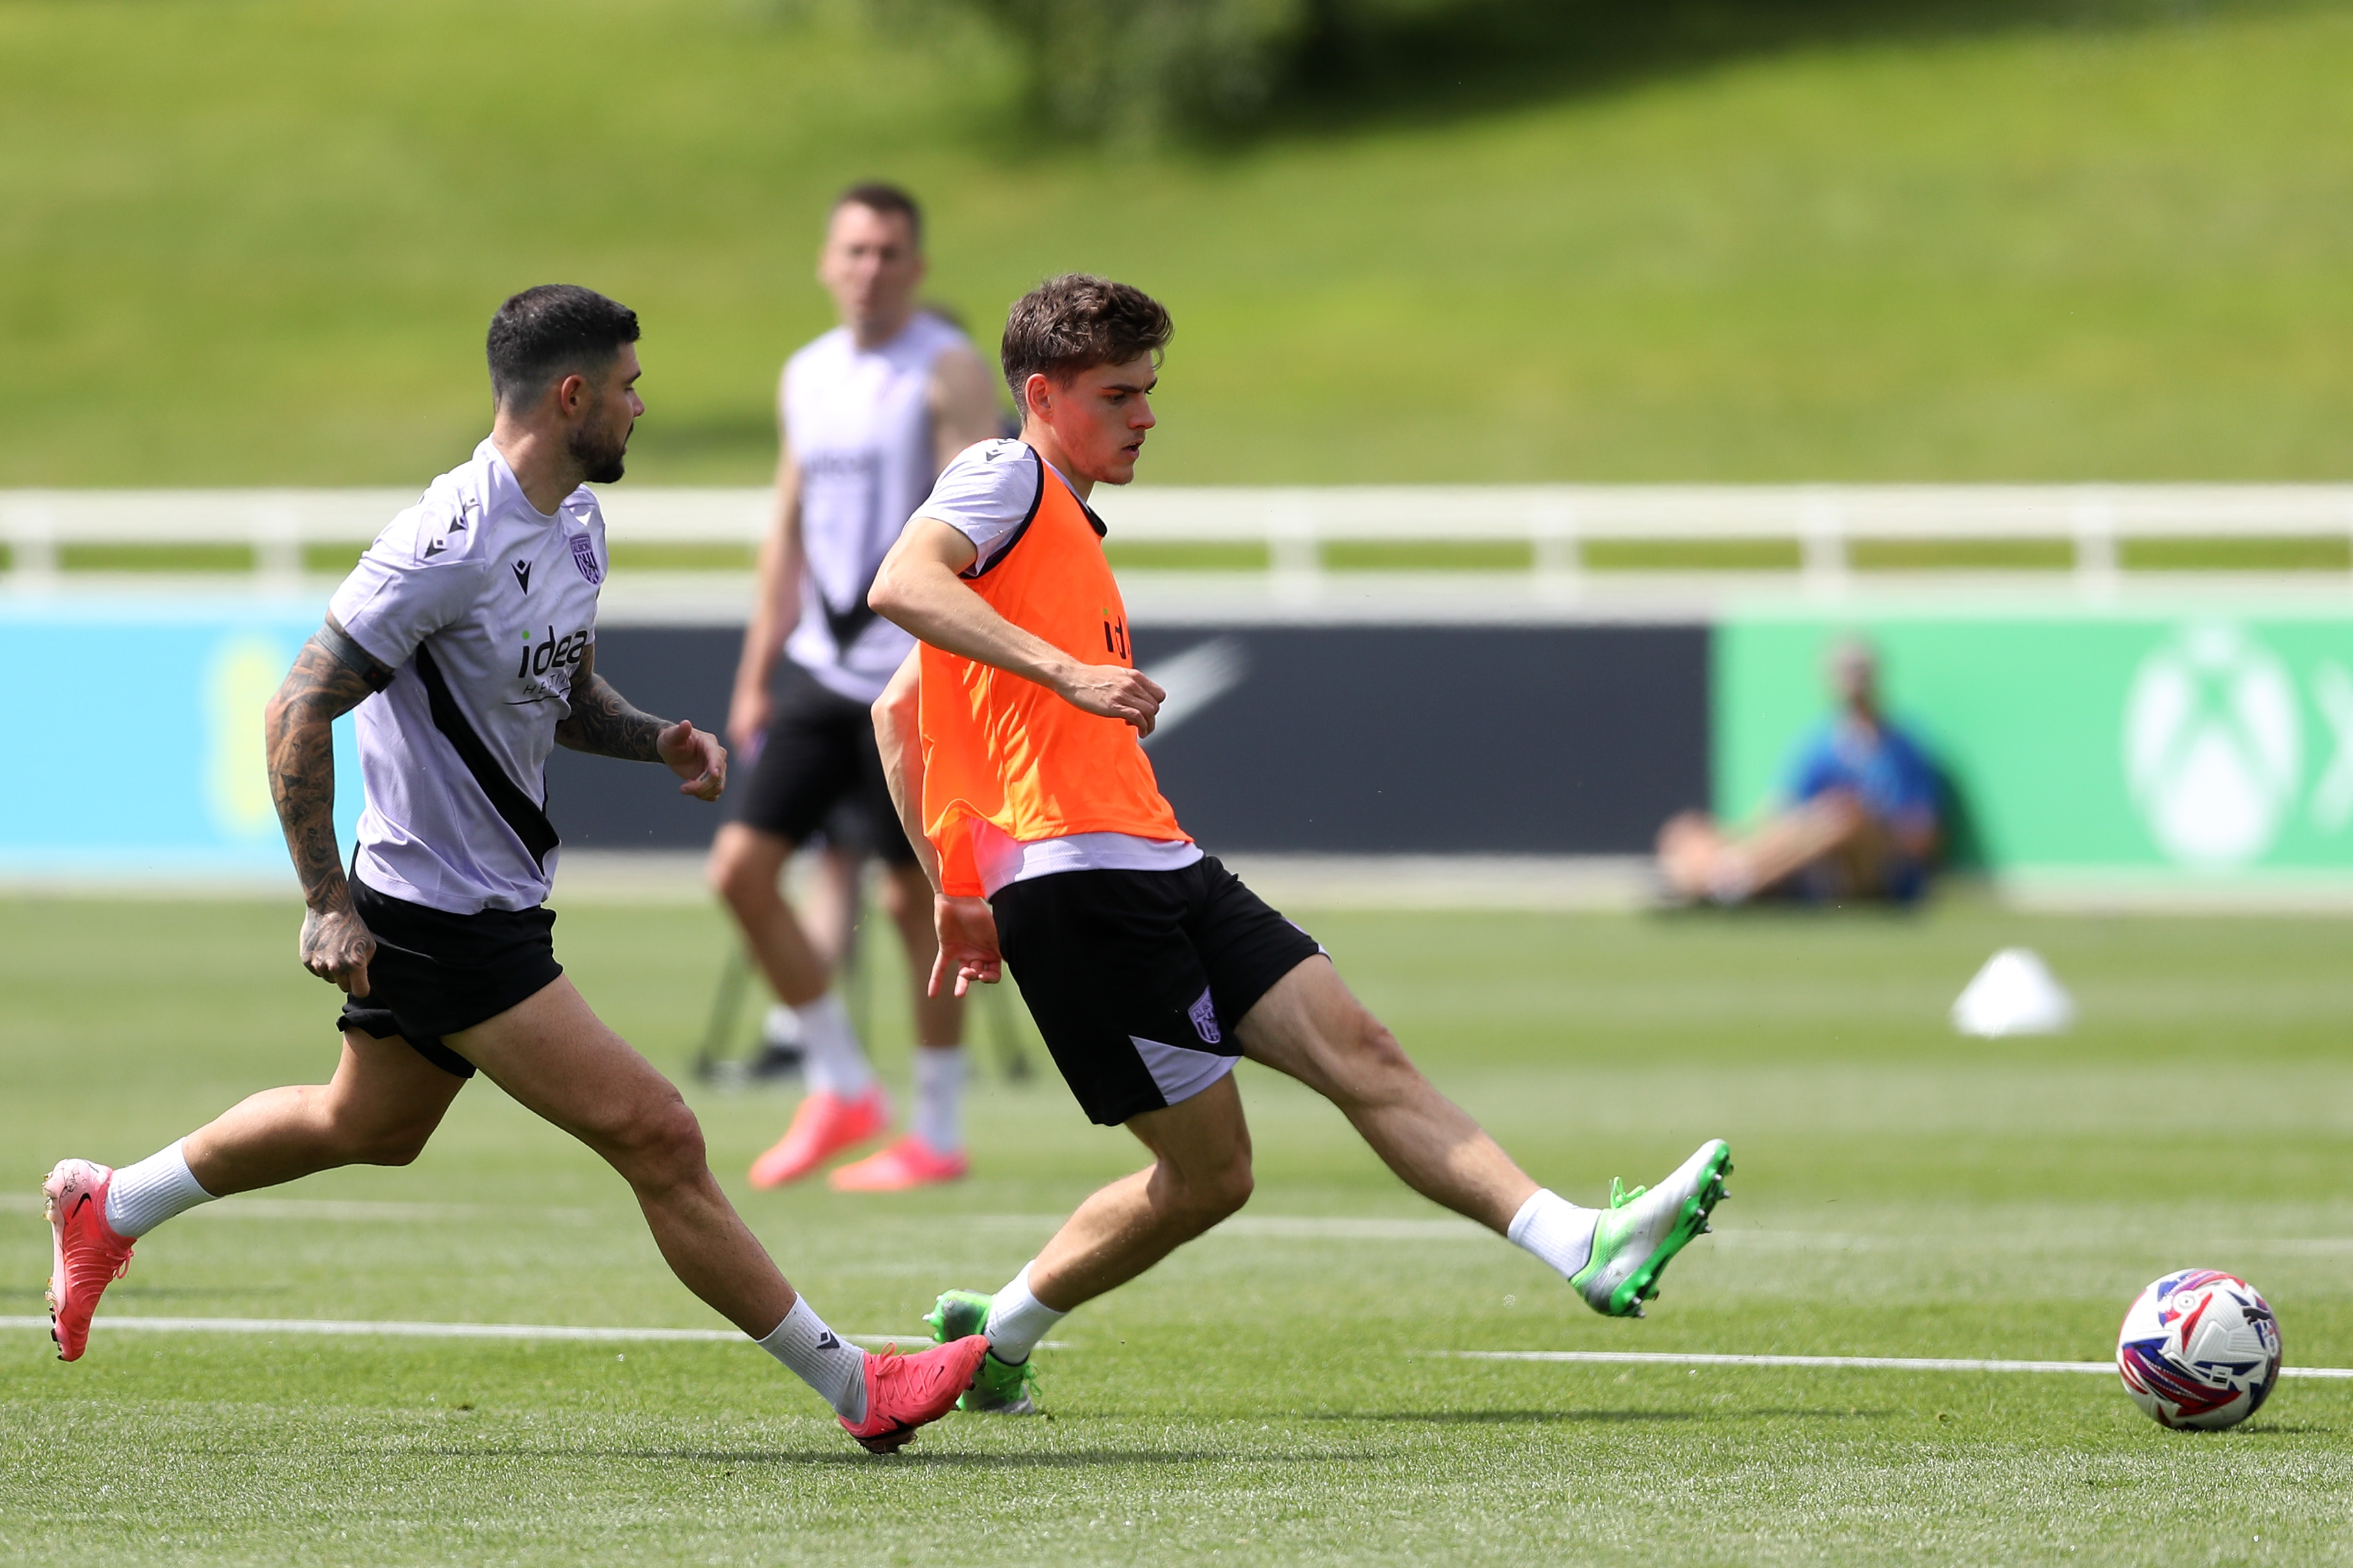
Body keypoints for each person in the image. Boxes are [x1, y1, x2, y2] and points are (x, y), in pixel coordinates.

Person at [42, 285, 984, 1453]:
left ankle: (110, 1203)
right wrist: (325, 902)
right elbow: (298, 707)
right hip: (442, 916)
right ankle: (861, 1386)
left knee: (369, 1123)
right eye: (630, 385)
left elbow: (563, 690)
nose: (645, 404)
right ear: (572, 395)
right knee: (660, 1134)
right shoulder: (442, 541)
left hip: (486, 898)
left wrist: (656, 740)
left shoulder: (576, 522)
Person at [864, 274, 1733, 1416]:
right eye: (1120, 394)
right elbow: (899, 583)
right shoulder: (1002, 473)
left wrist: (952, 883)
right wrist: (1043, 723)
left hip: (1159, 861)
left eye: (1151, 391)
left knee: (1362, 1051)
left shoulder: (1059, 516)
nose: (1146, 416)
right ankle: (1003, 1335)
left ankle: (1583, 1241)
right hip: (1078, 887)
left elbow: (897, 711)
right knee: (1211, 1176)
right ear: (1042, 393)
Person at [708, 182, 1005, 1192]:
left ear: (917, 267)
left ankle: (936, 1125)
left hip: (910, 674)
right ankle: (841, 1085)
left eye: (889, 252)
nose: (870, 269)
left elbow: (983, 527)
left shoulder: (947, 368)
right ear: (828, 262)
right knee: (740, 874)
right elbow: (786, 529)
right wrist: (756, 674)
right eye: (854, 251)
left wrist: (957, 667)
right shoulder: (807, 375)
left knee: (912, 898)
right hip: (816, 674)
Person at [1657, 638, 1942, 905]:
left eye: (1859, 670)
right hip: (1813, 861)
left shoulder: (1902, 749)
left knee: (1842, 815)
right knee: (1687, 830)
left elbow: (1921, 837)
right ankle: (1729, 877)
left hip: (1879, 870)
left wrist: (1857, 823)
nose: (1853, 681)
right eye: (1844, 670)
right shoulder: (1820, 743)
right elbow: (1780, 811)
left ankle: (1734, 881)